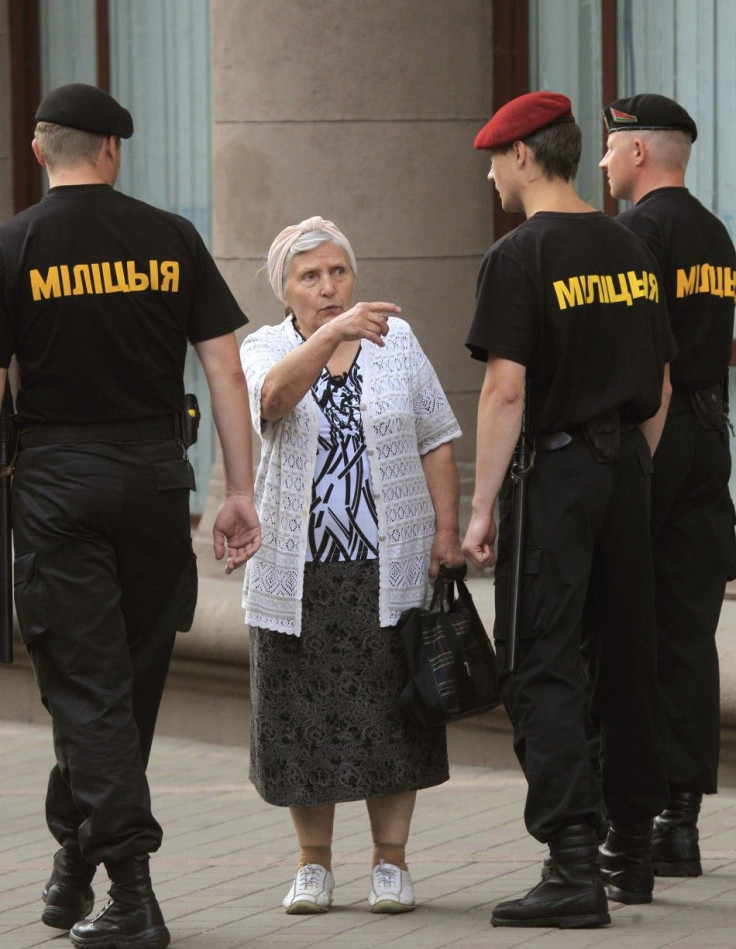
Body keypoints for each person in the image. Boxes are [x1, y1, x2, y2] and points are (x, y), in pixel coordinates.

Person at [0, 83, 261, 948]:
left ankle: (133, 894)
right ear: (114, 150)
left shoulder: (14, 244)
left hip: (57, 480)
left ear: (42, 152)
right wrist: (237, 488)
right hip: (156, 480)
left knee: (89, 693)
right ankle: (79, 863)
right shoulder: (170, 237)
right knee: (124, 691)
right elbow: (226, 369)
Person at [461, 91, 675, 927]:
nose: (488, 173)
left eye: (493, 158)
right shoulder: (629, 246)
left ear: (523, 157)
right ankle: (632, 842)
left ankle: (572, 863)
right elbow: (658, 388)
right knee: (625, 651)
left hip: (554, 478)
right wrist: (621, 467)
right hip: (626, 470)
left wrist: (481, 509)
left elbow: (505, 390)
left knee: (537, 658)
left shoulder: (520, 254)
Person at [239, 215, 464, 916]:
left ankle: (391, 863)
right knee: (302, 717)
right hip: (296, 573)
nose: (330, 287)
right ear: (286, 287)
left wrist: (446, 530)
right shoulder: (263, 347)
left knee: (393, 715)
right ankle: (313, 866)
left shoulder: (398, 344)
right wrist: (331, 337)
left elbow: (438, 438)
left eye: (339, 272)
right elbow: (272, 402)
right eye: (311, 276)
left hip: (387, 563)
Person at [600, 94, 736, 877]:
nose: (606, 162)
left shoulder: (637, 234)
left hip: (656, 432)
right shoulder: (715, 233)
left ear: (640, 153)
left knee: (627, 627)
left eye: (613, 147)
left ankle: (634, 814)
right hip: (710, 437)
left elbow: (635, 349)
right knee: (688, 635)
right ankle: (681, 821)